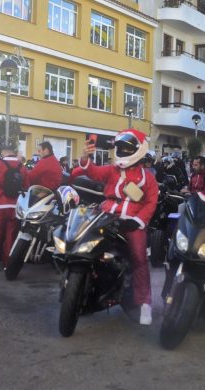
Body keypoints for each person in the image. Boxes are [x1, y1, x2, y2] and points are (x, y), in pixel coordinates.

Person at [80, 128, 159, 325]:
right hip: (105, 217)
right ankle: (82, 288)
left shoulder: (147, 177)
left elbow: (151, 202)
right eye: (120, 147)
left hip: (131, 224)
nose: (122, 150)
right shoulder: (112, 170)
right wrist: (85, 157)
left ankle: (144, 304)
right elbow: (93, 172)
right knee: (84, 247)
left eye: (126, 147)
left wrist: (138, 221)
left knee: (140, 259)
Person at [0, 144, 29, 272]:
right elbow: (26, 186)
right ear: (14, 152)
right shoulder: (22, 166)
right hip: (14, 205)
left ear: (3, 153)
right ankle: (7, 263)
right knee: (11, 235)